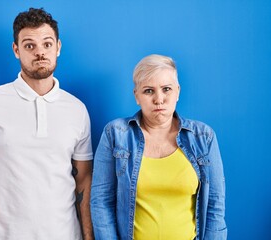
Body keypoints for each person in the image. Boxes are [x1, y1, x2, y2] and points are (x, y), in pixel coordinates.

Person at [0, 8, 94, 240]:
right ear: (16, 50)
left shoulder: (77, 110)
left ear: (58, 47)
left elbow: (84, 182)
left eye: (47, 44)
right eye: (30, 45)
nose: (40, 52)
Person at [90, 54, 227, 240]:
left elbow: (215, 205)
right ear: (136, 95)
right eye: (148, 91)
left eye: (166, 89)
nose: (159, 99)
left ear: (177, 92)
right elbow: (101, 202)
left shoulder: (203, 137)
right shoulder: (115, 134)